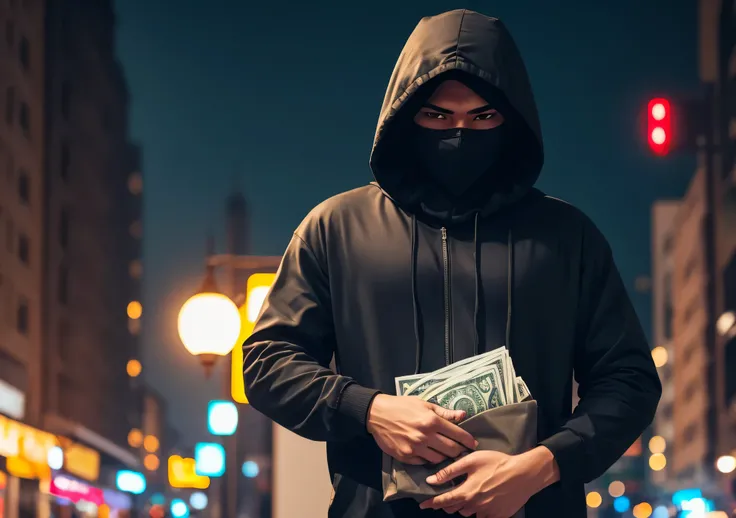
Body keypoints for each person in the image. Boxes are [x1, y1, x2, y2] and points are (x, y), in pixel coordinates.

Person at [243, 9, 661, 518]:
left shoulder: (566, 236)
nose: (459, 132)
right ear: (405, 115)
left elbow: (629, 379)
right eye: (437, 115)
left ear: (512, 120)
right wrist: (369, 409)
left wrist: (544, 465)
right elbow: (267, 361)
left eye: (482, 116)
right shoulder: (336, 227)